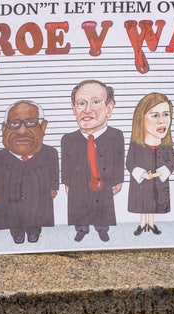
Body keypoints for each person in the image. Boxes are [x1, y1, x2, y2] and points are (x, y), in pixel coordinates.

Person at [61, 80, 124, 242]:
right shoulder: (68, 139)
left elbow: (119, 159)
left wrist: (118, 180)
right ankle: (81, 229)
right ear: (74, 109)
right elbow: (66, 164)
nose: (87, 110)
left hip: (104, 181)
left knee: (103, 206)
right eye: (81, 104)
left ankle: (102, 229)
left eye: (95, 102)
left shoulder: (115, 136)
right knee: (79, 206)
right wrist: (67, 182)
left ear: (109, 108)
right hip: (78, 183)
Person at [0, 100, 59, 244]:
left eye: (31, 122)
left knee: (36, 212)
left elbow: (54, 171)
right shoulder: (0, 157)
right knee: (13, 214)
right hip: (9, 194)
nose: (22, 131)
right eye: (14, 123)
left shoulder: (50, 153)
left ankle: (34, 232)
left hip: (39, 193)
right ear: (3, 129)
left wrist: (54, 187)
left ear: (43, 126)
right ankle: (17, 233)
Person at [126, 93, 174, 236]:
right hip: (142, 182)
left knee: (154, 203)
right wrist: (142, 174)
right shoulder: (136, 145)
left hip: (158, 182)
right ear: (140, 119)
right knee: (143, 203)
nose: (162, 121)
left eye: (166, 115)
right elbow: (129, 162)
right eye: (155, 116)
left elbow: (173, 161)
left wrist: (161, 172)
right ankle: (142, 225)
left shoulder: (166, 145)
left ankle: (152, 224)